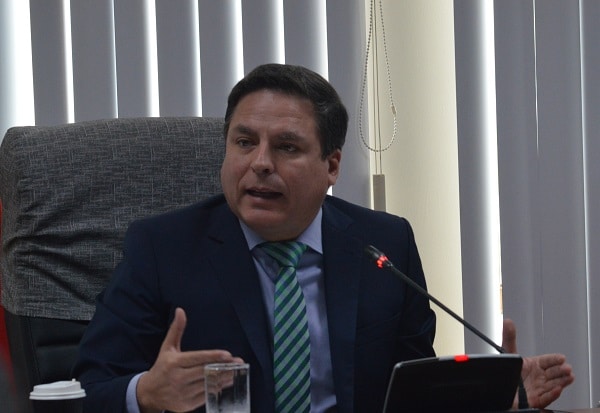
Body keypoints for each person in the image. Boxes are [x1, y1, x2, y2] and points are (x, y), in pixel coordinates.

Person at [73, 63, 574, 413]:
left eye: (287, 147)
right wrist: (145, 394)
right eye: (244, 142)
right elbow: (87, 389)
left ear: (331, 166)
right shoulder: (162, 248)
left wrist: (491, 396)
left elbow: (411, 395)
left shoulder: (385, 244)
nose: (260, 163)